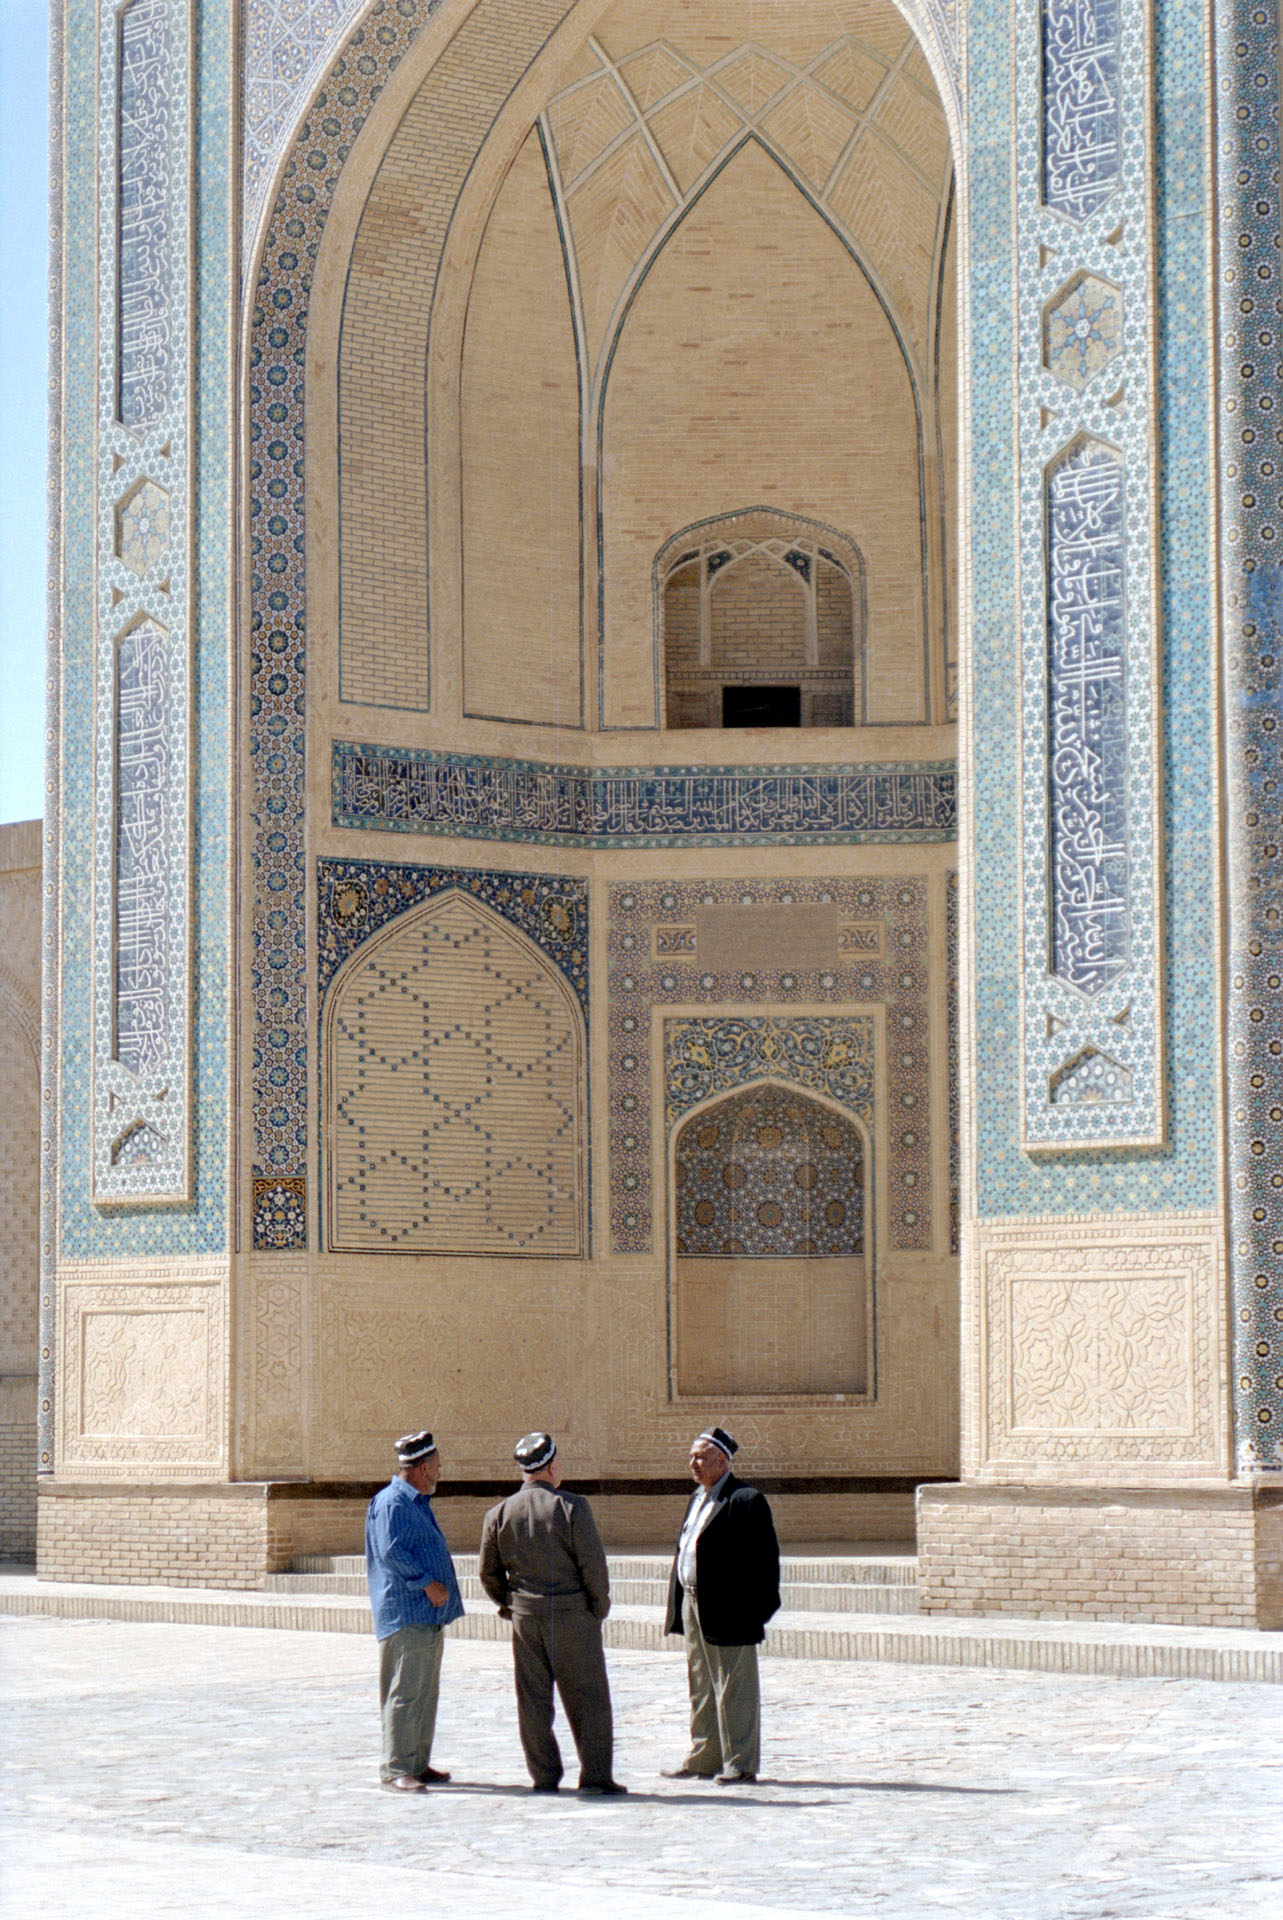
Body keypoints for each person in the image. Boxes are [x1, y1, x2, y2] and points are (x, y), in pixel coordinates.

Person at [479, 1431, 626, 1796]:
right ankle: (594, 1777)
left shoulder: (499, 1513)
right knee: (588, 1698)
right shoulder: (572, 1507)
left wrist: (510, 1605)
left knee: (533, 1700)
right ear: (552, 1465)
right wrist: (598, 1608)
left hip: (526, 1618)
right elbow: (593, 1565)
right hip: (573, 1614)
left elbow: (488, 1573)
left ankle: (544, 1776)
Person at [662, 1426, 780, 1785]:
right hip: (694, 1603)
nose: (693, 1463)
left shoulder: (746, 1500)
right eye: (691, 1457)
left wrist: (753, 1613)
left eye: (700, 1457)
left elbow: (765, 1565)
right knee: (701, 1683)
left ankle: (740, 1764)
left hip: (732, 1610)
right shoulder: (697, 1498)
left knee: (735, 1688)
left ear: (722, 1460)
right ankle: (704, 1757)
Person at [365, 1429, 464, 1793]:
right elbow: (392, 1553)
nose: (440, 1471)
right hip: (407, 1613)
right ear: (422, 1467)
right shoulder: (392, 1503)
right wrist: (427, 1583)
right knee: (404, 1691)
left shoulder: (416, 1502)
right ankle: (396, 1768)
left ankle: (417, 1763)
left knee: (425, 1690)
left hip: (428, 1614)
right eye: (437, 1465)